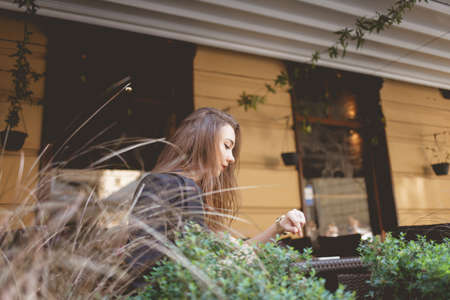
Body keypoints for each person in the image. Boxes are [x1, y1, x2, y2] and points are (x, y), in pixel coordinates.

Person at [127, 107, 305, 286]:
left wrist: (277, 227)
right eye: (227, 146)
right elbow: (150, 263)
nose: (231, 158)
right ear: (204, 140)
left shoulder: (179, 187)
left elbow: (232, 254)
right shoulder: (177, 186)